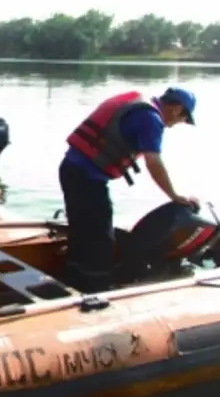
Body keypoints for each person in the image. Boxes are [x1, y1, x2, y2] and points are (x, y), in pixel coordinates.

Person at [60, 88, 199, 292]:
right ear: (178, 109)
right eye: (184, 119)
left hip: (72, 170)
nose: (177, 124)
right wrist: (174, 195)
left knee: (82, 231)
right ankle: (95, 289)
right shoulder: (151, 120)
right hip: (86, 179)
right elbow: (154, 162)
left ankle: (73, 278)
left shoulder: (140, 106)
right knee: (100, 239)